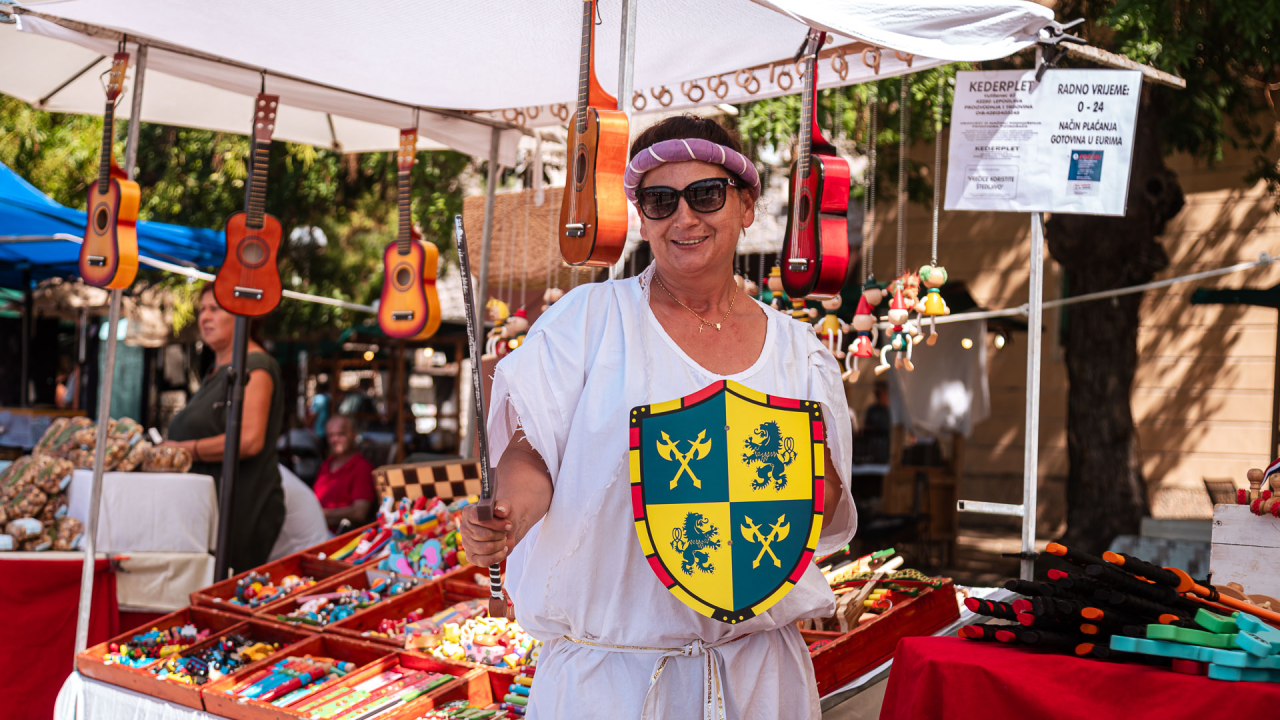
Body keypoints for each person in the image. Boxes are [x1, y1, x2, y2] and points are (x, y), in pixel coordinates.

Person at [460, 116, 855, 719]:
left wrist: (779, 483)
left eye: (705, 195)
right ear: (642, 217)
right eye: (660, 201)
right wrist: (508, 518)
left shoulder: (799, 352)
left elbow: (820, 498)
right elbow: (530, 450)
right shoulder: (588, 322)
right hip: (610, 684)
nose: (684, 218)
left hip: (757, 679)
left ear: (747, 204)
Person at [161, 284, 285, 574]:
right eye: (201, 310)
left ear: (243, 316)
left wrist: (185, 450)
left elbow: (249, 441)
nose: (205, 317)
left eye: (214, 309)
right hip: (206, 510)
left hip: (240, 511)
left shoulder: (257, 366)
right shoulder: (217, 371)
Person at [312, 415, 375, 529]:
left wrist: (322, 514)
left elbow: (359, 512)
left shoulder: (362, 467)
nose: (335, 439)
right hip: (314, 530)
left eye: (341, 434)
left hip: (339, 538)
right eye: (331, 435)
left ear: (353, 435)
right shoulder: (326, 465)